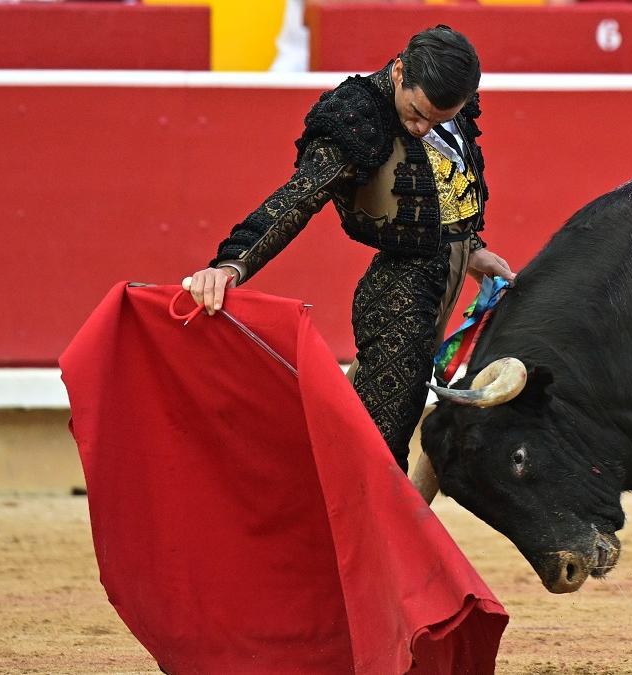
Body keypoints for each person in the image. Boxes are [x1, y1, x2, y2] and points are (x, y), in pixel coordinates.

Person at [184, 25, 516, 479]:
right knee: (382, 442)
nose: (423, 128)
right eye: (417, 114)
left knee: (368, 424)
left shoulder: (442, 98)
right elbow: (299, 197)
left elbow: (441, 186)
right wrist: (231, 264)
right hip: (399, 293)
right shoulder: (358, 115)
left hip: (443, 280)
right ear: (399, 72)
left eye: (437, 121)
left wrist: (470, 247)